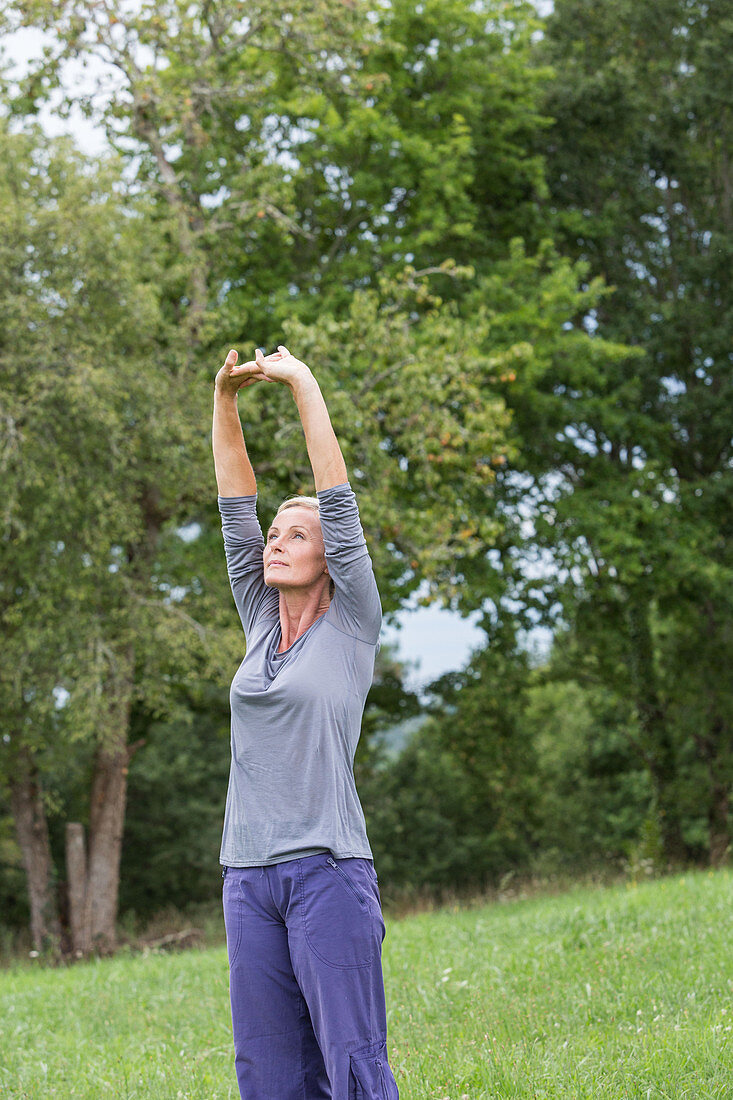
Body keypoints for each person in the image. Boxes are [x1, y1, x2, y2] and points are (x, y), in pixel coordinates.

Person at [212, 344, 400, 1100]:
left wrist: (301, 382)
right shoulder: (259, 620)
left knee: (351, 1064)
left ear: (332, 558)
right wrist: (224, 398)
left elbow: (338, 502)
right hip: (246, 877)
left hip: (326, 870)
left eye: (295, 533)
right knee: (267, 1074)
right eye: (274, 532)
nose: (274, 542)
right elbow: (233, 504)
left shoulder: (352, 623)